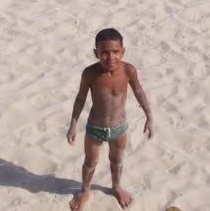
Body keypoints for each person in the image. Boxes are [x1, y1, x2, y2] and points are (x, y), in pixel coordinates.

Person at [66, 28, 154, 210]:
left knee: (117, 160)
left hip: (119, 128)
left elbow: (139, 91)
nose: (110, 57)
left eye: (115, 52)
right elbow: (81, 97)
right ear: (96, 53)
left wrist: (149, 116)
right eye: (104, 53)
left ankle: (116, 187)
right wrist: (73, 124)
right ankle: (84, 191)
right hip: (94, 128)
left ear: (123, 52)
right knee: (90, 163)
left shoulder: (128, 70)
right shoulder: (90, 73)